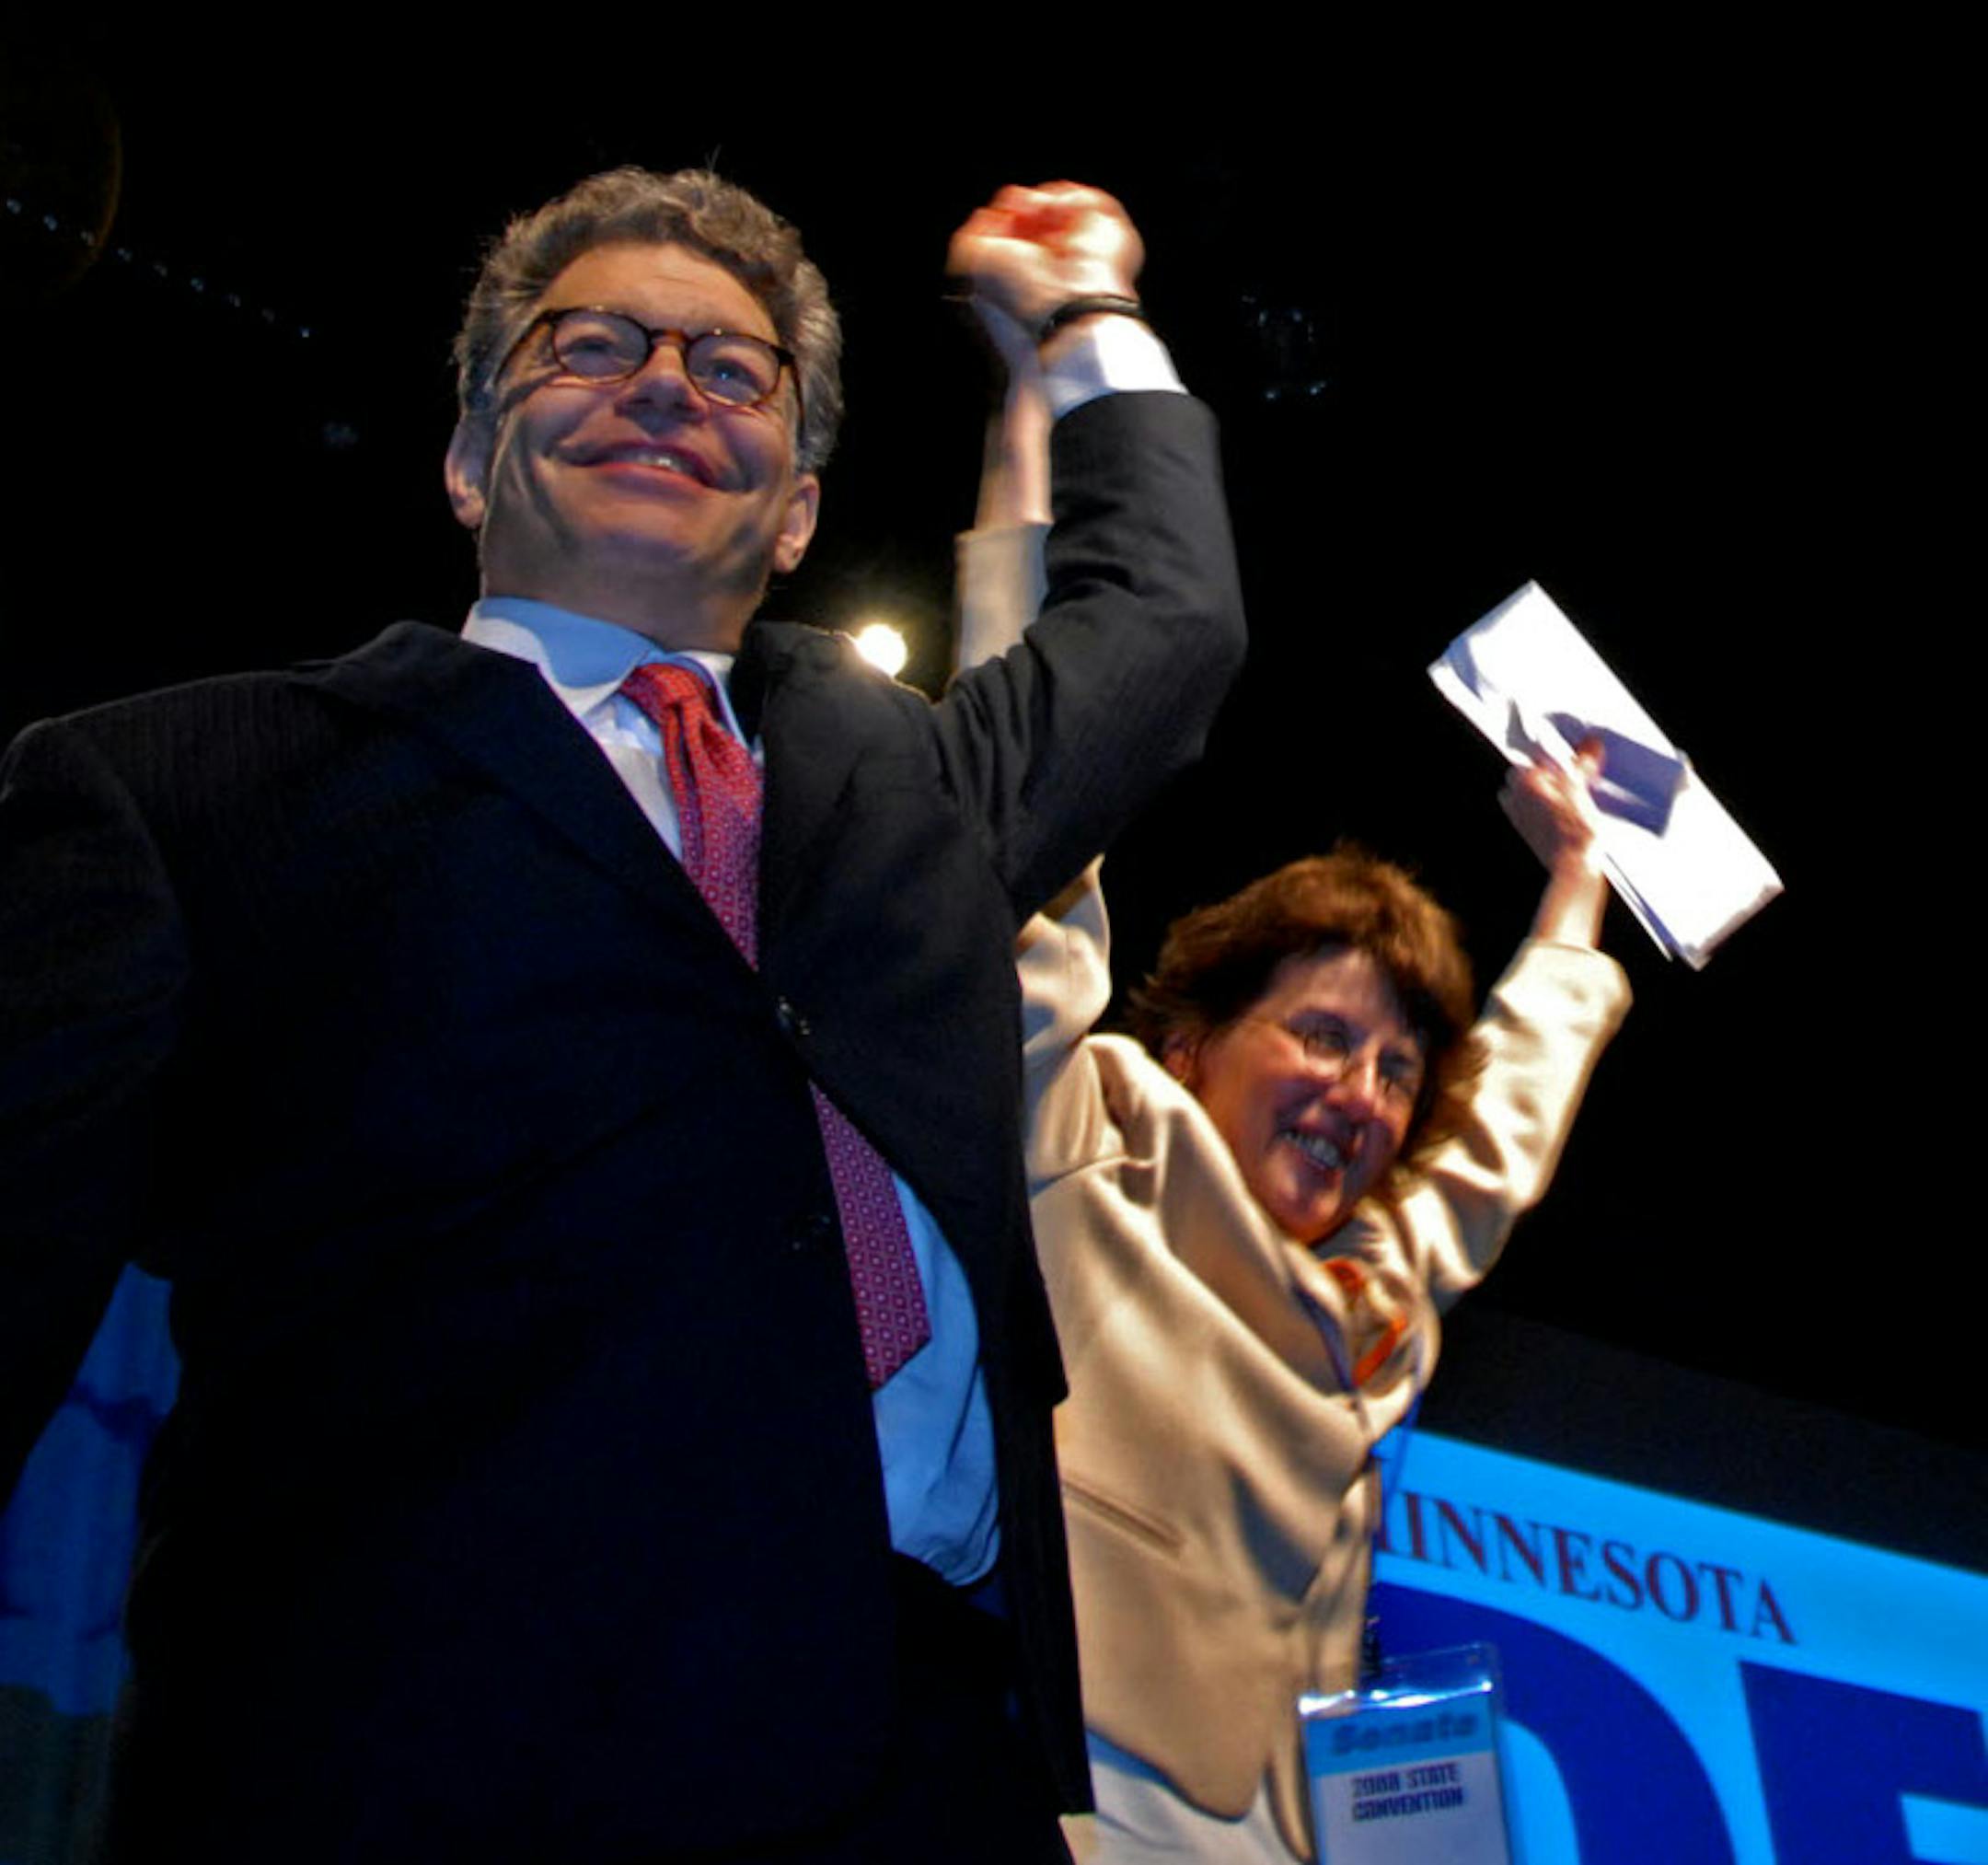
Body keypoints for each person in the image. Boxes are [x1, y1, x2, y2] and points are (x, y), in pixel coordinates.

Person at [0, 168, 1244, 1862]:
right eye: (592, 347)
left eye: (734, 371)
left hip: (921, 1763)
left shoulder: (921, 784)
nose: (666, 385)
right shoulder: (188, 788)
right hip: (413, 1756)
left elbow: (1167, 624)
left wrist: (1086, 311)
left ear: (798, 513)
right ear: (466, 456)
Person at [954, 354, 1628, 1863]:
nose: (1361, 1094)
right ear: (1193, 1038)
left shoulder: (1375, 1296)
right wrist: (1027, 409)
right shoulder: (1088, 1138)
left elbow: (1503, 1129)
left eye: (1395, 1071)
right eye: (1323, 1036)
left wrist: (1580, 878)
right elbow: (1027, 817)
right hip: (1053, 1800)